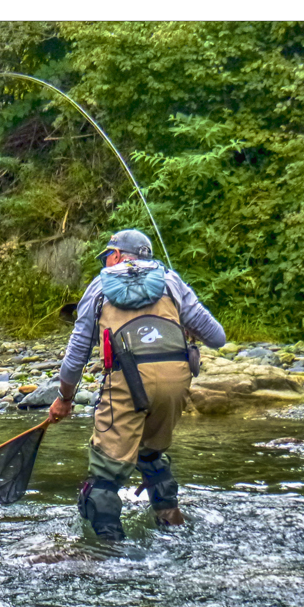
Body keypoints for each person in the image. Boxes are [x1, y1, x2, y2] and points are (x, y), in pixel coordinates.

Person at [47, 229, 225, 539]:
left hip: (126, 384)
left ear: (116, 255)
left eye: (107, 256)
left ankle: (110, 556)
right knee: (151, 456)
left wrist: (64, 397)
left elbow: (77, 352)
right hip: (174, 383)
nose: (106, 262)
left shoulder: (101, 285)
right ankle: (172, 528)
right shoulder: (171, 281)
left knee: (103, 479)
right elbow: (217, 337)